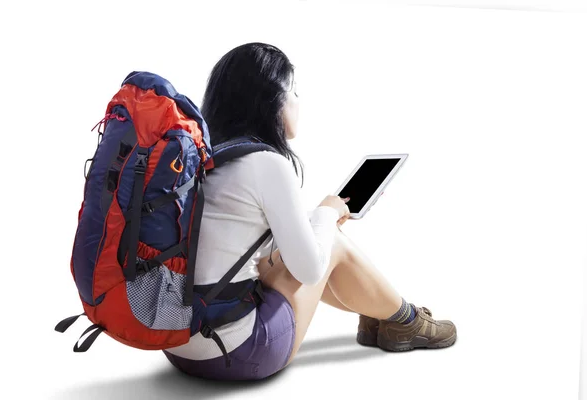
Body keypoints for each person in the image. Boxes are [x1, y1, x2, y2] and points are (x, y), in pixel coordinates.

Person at [163, 42, 457, 381]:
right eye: (294, 92)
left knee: (290, 250)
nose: (298, 103)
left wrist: (315, 221)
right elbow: (310, 269)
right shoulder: (266, 163)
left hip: (179, 345)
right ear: (272, 100)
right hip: (238, 354)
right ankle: (406, 321)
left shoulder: (203, 158)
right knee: (331, 243)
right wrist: (327, 214)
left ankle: (381, 314)